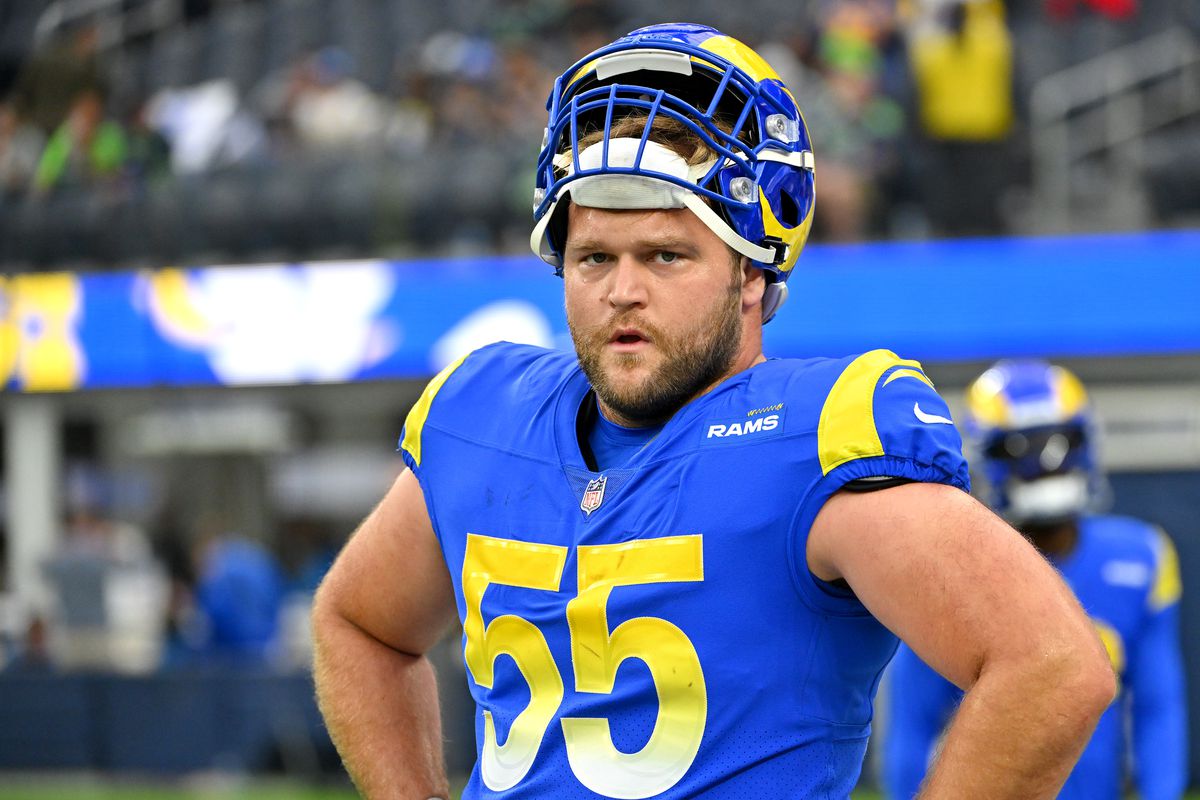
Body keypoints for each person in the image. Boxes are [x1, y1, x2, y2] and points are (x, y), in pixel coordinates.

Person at [312, 24, 1114, 799]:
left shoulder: (816, 436)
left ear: (753, 272)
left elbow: (1051, 665)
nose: (623, 290)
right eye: (594, 257)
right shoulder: (482, 413)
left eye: (666, 255)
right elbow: (358, 623)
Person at [884, 360, 1188, 800]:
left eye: (1061, 442)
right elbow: (914, 726)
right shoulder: (948, 567)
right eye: (1020, 449)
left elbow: (1158, 708)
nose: (1047, 463)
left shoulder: (1142, 556)